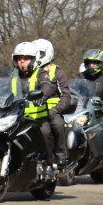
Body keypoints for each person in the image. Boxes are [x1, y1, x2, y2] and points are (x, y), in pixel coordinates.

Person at [31, 38, 71, 169]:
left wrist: (58, 108)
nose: (37, 57)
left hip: (52, 110)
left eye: (40, 53)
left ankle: (60, 156)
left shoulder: (57, 72)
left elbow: (66, 94)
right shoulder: (30, 71)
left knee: (57, 125)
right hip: (33, 110)